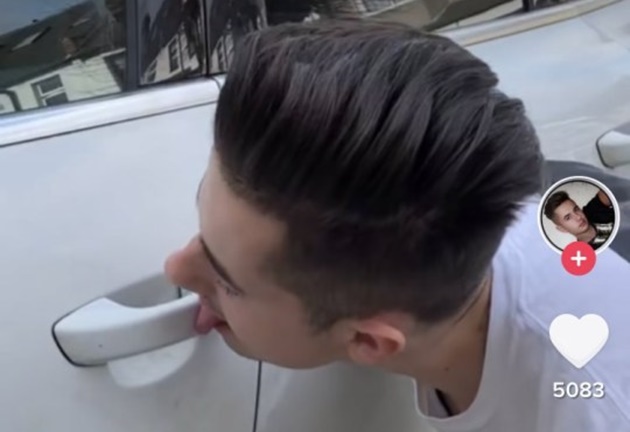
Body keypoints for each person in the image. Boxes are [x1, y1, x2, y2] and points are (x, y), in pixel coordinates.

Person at [164, 20, 630, 432]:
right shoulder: (440, 233)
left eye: (227, 281)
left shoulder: (594, 410)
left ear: (369, 341)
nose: (176, 268)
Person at [544, 189, 615, 250]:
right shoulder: (586, 254)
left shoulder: (591, 210)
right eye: (568, 217)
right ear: (562, 229)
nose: (578, 217)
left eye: (576, 209)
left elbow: (609, 189)